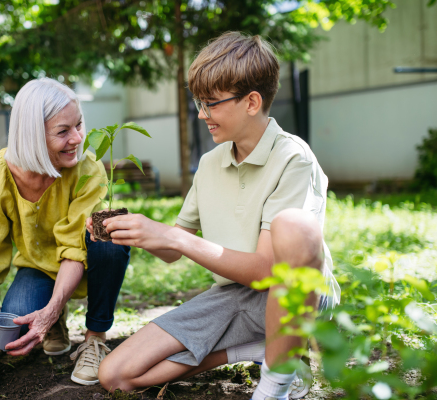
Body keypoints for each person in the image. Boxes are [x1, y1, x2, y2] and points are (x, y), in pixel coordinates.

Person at [94, 32, 340, 400]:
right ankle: (257, 350)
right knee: (115, 375)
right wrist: (137, 232)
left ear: (252, 102)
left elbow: (267, 272)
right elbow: (173, 249)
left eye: (211, 104)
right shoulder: (211, 163)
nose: (201, 114)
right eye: (199, 102)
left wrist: (175, 237)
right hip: (231, 297)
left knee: (294, 225)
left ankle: (275, 384)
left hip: (289, 296)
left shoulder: (293, 159)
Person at [0, 78, 130, 386]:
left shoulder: (87, 168)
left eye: (79, 125)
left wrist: (48, 312)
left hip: (88, 262)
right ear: (32, 135)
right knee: (9, 332)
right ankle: (53, 316)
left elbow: (75, 247)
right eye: (63, 131)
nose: (77, 138)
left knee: (108, 239)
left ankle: (94, 338)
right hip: (39, 268)